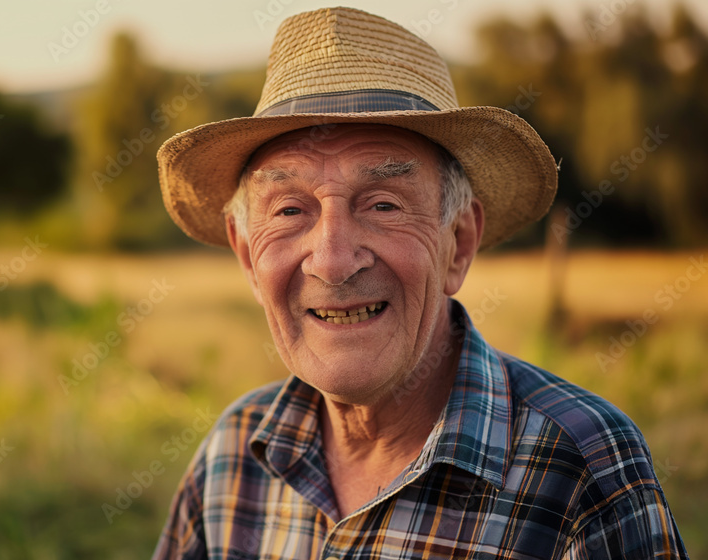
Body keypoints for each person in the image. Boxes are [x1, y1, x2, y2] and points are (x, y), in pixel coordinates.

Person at [151, 7, 687, 560]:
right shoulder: (231, 458)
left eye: (383, 204)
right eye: (289, 210)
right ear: (247, 256)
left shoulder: (583, 469)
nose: (333, 262)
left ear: (458, 242)